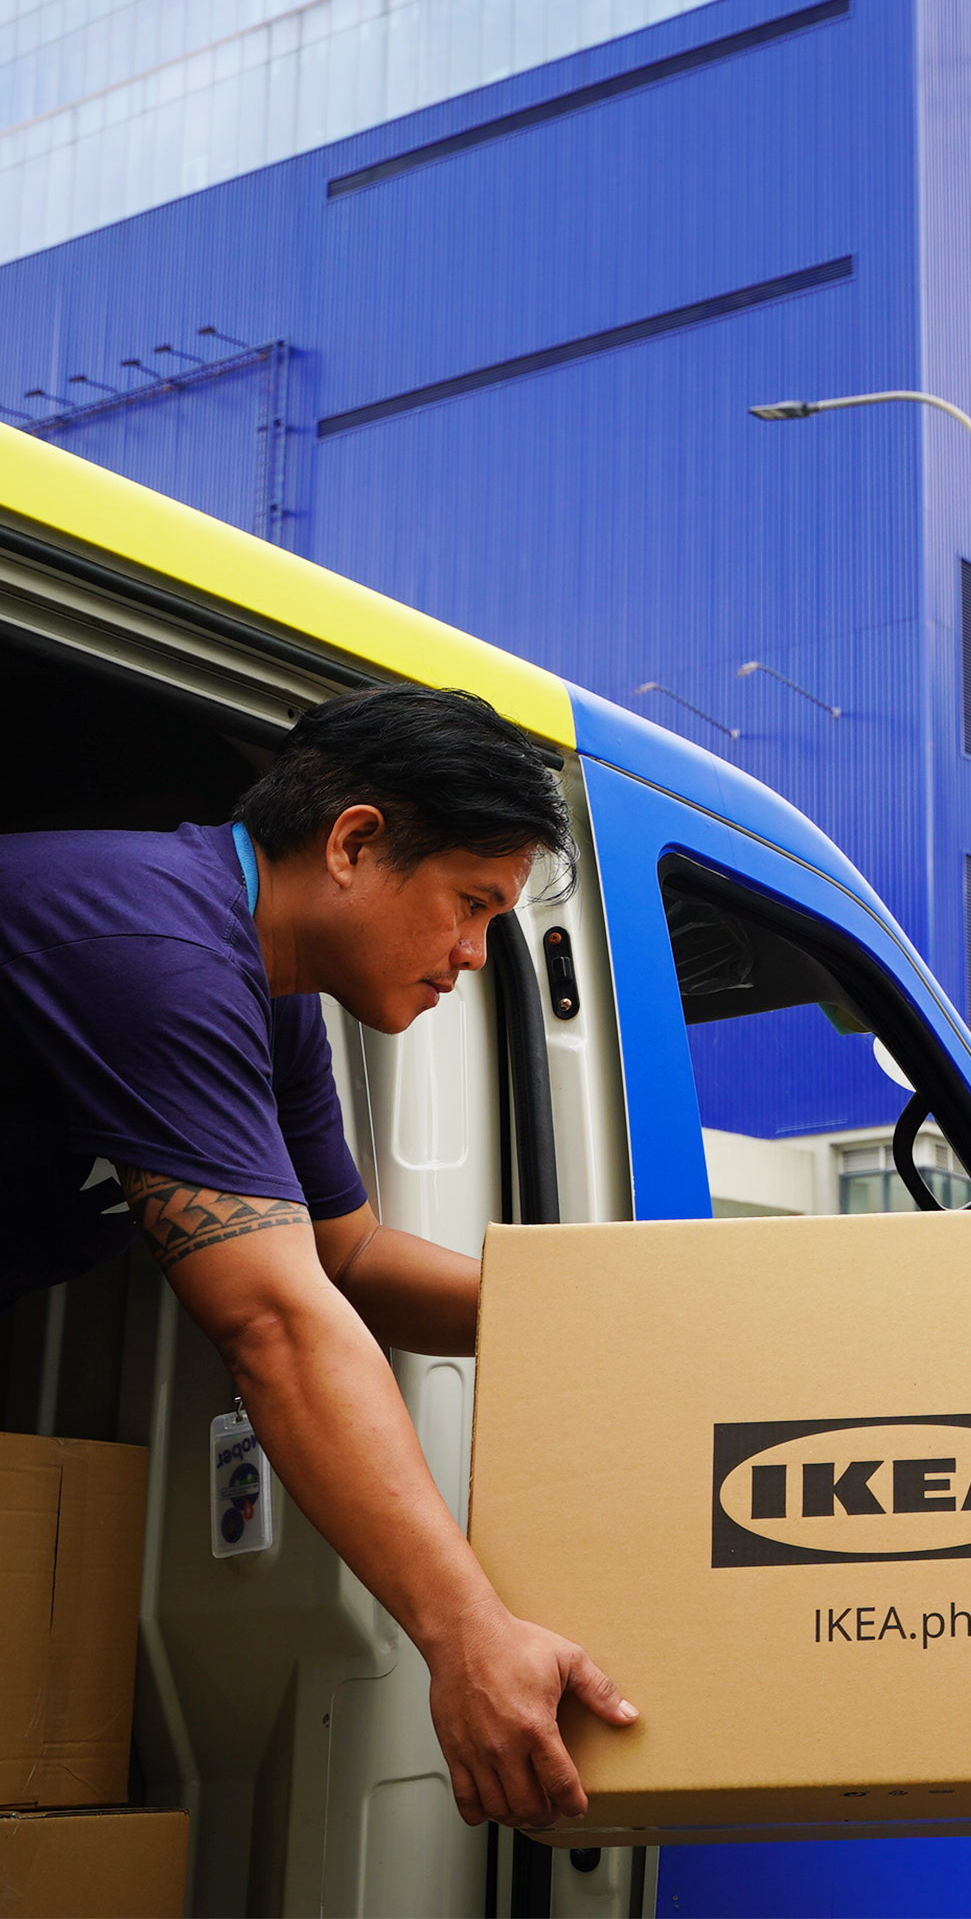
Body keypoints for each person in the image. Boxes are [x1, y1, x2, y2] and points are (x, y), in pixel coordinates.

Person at [0, 684, 634, 1832]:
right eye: (471, 903)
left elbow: (343, 1258)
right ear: (354, 842)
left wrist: (601, 1313)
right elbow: (279, 1325)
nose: (475, 953)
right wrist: (467, 1633)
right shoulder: (159, 946)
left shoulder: (266, 983)